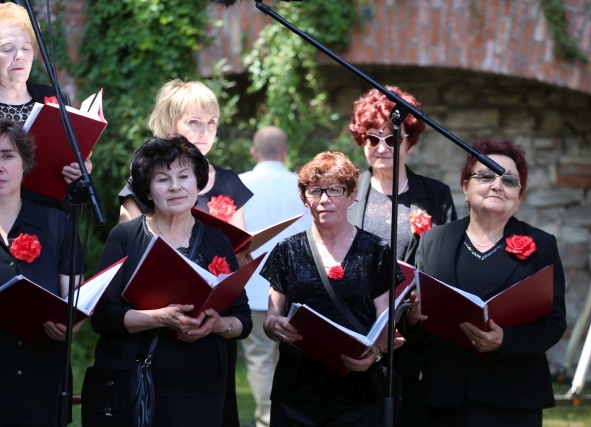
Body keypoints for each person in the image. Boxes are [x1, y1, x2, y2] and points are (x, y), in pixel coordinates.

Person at [400, 138, 567, 426]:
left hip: (512, 397)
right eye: (486, 175)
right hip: (443, 396)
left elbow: (554, 322)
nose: (497, 184)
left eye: (509, 180)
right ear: (465, 187)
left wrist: (506, 341)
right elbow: (412, 315)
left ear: (519, 195)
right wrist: (413, 318)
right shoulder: (434, 241)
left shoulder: (541, 245)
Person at [88, 135, 252, 426]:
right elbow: (102, 316)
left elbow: (242, 319)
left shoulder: (218, 240)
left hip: (204, 390)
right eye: (163, 179)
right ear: (148, 191)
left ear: (197, 182)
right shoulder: (124, 237)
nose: (175, 186)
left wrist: (218, 324)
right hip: (140, 386)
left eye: (184, 176)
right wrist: (160, 318)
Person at [260, 151, 404, 427]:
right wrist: (275, 325)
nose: (324, 200)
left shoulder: (376, 251)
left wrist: (374, 354)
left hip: (357, 393)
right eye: (315, 191)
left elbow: (385, 322)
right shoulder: (286, 250)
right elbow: (271, 318)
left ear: (351, 197)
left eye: (335, 190)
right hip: (297, 393)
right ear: (304, 199)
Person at [347, 85, 457, 424]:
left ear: (409, 141)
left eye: (392, 139)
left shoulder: (434, 194)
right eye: (372, 138)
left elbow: (446, 261)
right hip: (359, 328)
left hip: (414, 335)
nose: (382, 148)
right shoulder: (348, 192)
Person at [0, 118, 84, 426]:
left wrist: (71, 322)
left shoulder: (57, 223)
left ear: (25, 164)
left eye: (7, 156)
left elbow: (74, 295)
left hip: (45, 372)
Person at [238, 125, 311, 427]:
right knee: (299, 359)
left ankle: (268, 420)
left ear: (254, 152)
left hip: (254, 289)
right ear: (284, 152)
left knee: (260, 360)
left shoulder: (239, 185)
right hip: (298, 290)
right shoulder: (303, 186)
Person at [118, 78, 252, 230]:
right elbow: (127, 245)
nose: (206, 132)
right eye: (194, 122)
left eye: (212, 122)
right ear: (169, 124)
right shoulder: (144, 182)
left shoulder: (229, 182)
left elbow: (241, 246)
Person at [0, 3, 92, 211]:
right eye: (7, 48)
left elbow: (64, 159)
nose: (20, 56)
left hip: (51, 217)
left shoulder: (52, 96)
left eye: (26, 48)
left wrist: (79, 169)